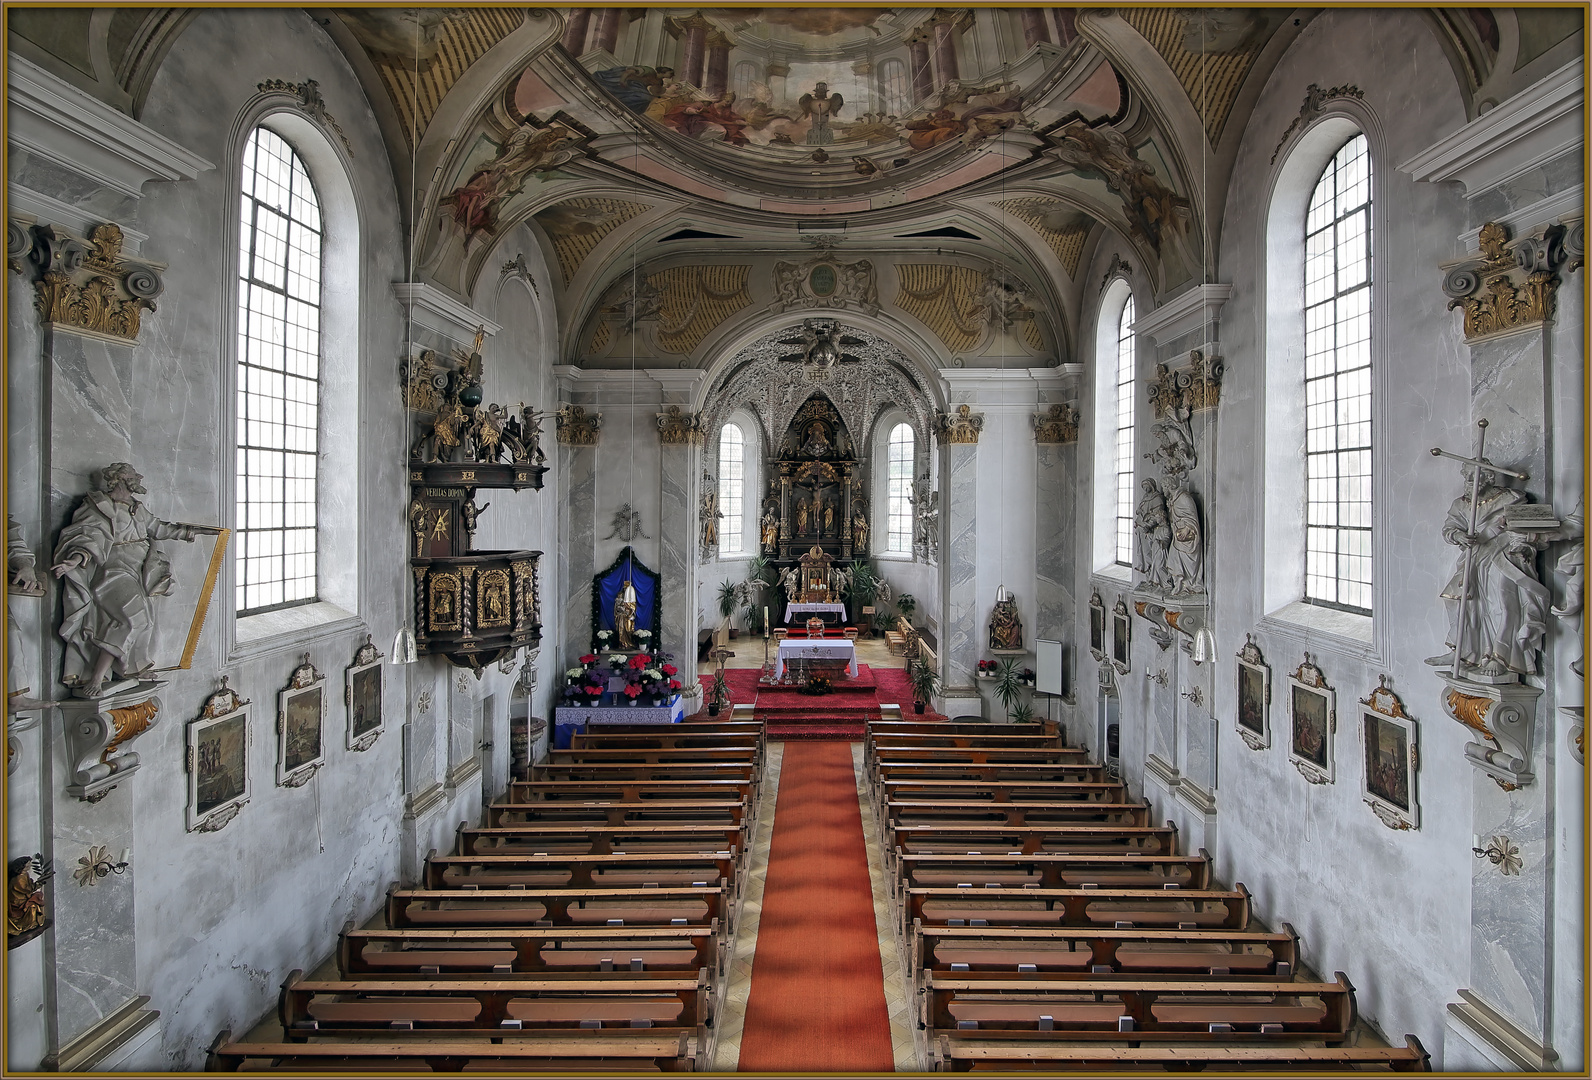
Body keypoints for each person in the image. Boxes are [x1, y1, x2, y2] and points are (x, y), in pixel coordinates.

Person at [52, 463, 199, 696]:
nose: (137, 480)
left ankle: (131, 669)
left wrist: (188, 532)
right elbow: (87, 535)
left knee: (145, 621)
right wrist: (77, 558)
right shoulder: (100, 506)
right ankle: (97, 678)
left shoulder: (136, 507)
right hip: (113, 571)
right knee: (134, 618)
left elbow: (158, 528)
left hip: (138, 570)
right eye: (132, 477)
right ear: (119, 479)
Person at [1425, 462, 1550, 679]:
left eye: (1473, 478)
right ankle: (1461, 651)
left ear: (1489, 479)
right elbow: (1449, 529)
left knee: (1499, 600)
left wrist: (1509, 535)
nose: (1468, 483)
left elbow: (1530, 526)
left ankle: (1500, 655)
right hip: (1475, 556)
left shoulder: (1511, 498)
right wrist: (1459, 536)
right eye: (1467, 478)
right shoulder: (1461, 505)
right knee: (1456, 598)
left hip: (1503, 555)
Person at [1165, 476, 1204, 596]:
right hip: (1178, 536)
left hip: (1187, 537)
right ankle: (1179, 584)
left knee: (1188, 562)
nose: (1163, 489)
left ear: (1168, 486)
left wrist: (1187, 529)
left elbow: (1192, 517)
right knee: (1173, 559)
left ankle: (1190, 584)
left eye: (1164, 486)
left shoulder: (1184, 498)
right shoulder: (1173, 499)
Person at [1133, 479, 1170, 590]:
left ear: (1152, 485)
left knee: (1150, 555)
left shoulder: (1157, 498)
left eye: (1146, 486)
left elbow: (1157, 514)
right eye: (1143, 487)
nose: (1145, 489)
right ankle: (1150, 577)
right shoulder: (1145, 497)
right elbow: (1139, 511)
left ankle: (1161, 581)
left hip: (1151, 530)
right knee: (1143, 553)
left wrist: (1148, 525)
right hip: (1143, 530)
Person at [613, 579, 638, 649]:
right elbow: (616, 608)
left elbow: (633, 607)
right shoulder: (619, 597)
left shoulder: (631, 598)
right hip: (621, 617)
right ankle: (622, 643)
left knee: (629, 630)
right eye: (624, 588)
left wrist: (629, 607)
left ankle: (629, 643)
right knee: (621, 630)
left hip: (628, 617)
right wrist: (621, 608)